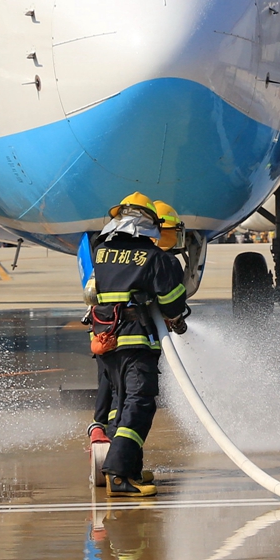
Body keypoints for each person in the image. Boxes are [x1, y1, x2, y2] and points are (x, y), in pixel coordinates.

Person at [82, 193, 190, 498]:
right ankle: (118, 474)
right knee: (140, 403)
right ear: (149, 225)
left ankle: (130, 467)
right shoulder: (154, 258)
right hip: (136, 341)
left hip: (106, 342)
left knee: (121, 405)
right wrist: (176, 319)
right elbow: (172, 302)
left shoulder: (102, 252)